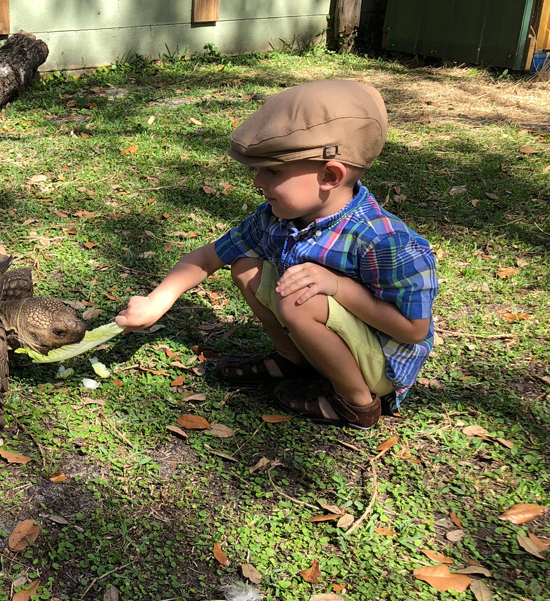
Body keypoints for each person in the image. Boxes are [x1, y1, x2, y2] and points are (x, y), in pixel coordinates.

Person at [115, 80, 437, 429]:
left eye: (272, 171)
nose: (257, 181)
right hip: (334, 338)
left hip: (380, 364)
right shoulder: (277, 218)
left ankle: (357, 404)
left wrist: (337, 287)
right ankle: (293, 359)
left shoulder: (383, 240)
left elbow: (413, 331)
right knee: (245, 266)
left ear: (330, 175)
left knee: (300, 298)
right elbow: (209, 257)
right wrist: (155, 302)